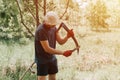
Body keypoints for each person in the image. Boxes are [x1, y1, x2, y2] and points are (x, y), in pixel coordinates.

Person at [35, 11, 74, 80]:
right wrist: (63, 53)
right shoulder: (41, 30)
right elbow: (47, 49)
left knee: (53, 78)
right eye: (51, 25)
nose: (53, 26)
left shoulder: (54, 28)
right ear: (45, 21)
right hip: (42, 59)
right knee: (42, 78)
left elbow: (61, 42)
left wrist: (67, 36)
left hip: (52, 58)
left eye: (53, 25)